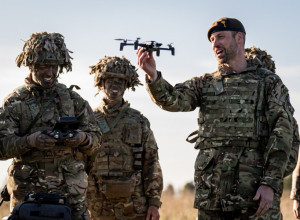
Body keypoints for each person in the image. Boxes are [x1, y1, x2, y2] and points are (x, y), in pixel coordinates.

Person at [137, 17, 295, 219]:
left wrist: (270, 183)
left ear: (239, 38)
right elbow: (173, 100)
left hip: (254, 192)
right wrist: (153, 76)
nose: (215, 44)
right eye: (212, 40)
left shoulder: (268, 82)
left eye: (220, 37)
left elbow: (282, 133)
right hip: (212, 192)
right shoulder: (206, 83)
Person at [0, 32, 100, 219]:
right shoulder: (14, 103)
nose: (50, 72)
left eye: (54, 66)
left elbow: (96, 140)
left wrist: (81, 138)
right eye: (44, 65)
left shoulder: (73, 99)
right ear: (31, 65)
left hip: (70, 195)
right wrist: (30, 141)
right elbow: (1, 147)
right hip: (28, 195)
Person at [86, 56, 163, 220]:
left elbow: (151, 162)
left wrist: (154, 203)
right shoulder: (88, 120)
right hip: (97, 207)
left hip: (134, 207)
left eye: (120, 81)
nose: (115, 85)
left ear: (127, 85)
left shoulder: (139, 121)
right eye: (110, 80)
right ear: (101, 83)